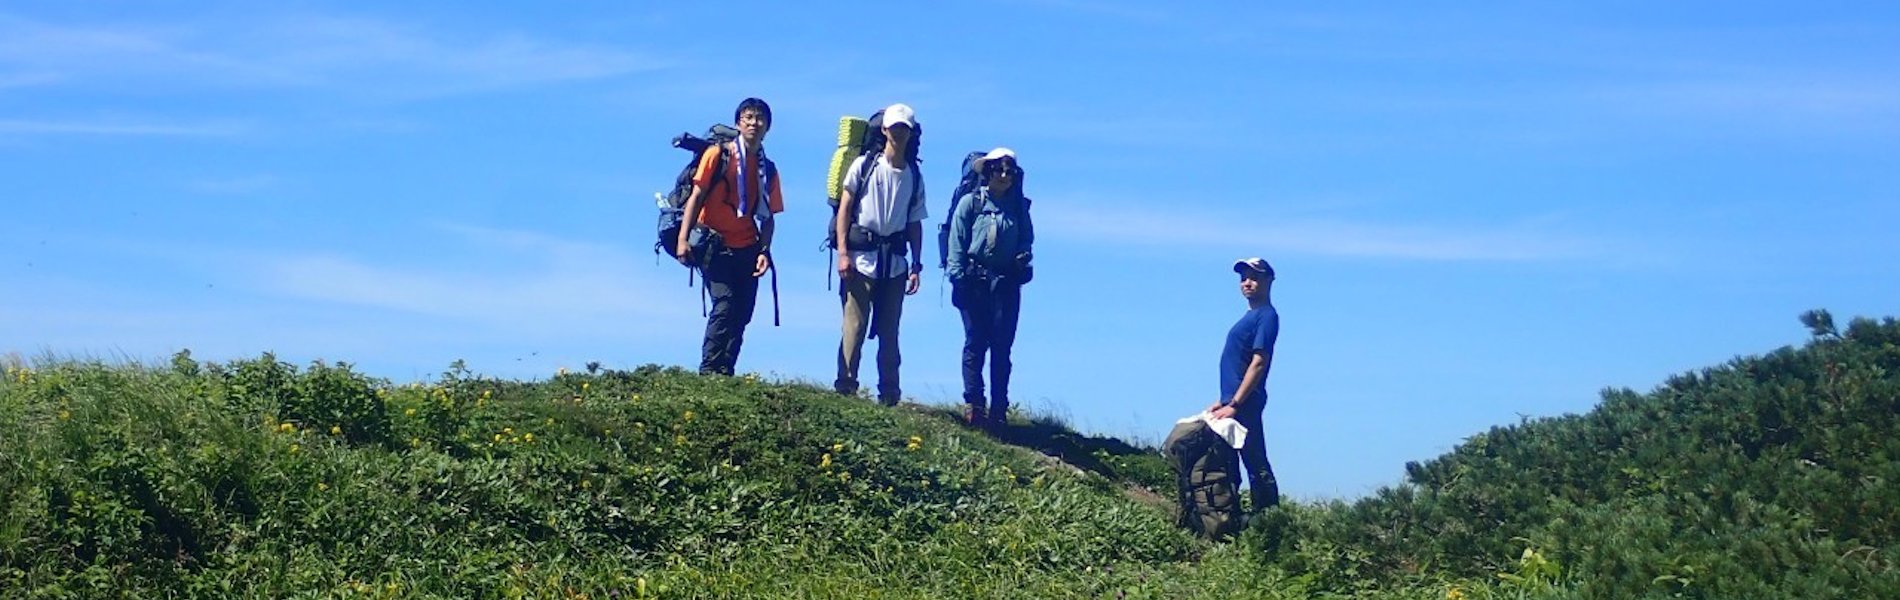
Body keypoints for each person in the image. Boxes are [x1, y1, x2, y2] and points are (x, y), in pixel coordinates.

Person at [674, 97, 784, 376]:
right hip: (714, 243)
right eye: (748, 117)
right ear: (738, 123)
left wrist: (764, 251)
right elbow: (696, 197)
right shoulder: (718, 155)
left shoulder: (767, 169)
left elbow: (769, 217)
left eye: (759, 118)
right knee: (724, 305)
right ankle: (709, 369)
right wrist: (682, 240)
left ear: (767, 127)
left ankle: (726, 371)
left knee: (743, 312)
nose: (753, 123)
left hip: (748, 246)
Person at [833, 103, 926, 406]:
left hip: (895, 265)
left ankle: (889, 394)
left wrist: (916, 264)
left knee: (890, 332)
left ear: (911, 134)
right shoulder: (864, 165)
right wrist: (843, 253)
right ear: (884, 130)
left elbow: (915, 223)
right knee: (854, 327)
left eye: (904, 129)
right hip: (861, 260)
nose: (899, 133)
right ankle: (846, 387)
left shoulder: (914, 174)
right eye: (894, 128)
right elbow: (845, 209)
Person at [946, 147, 1034, 430]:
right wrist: (958, 278)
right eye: (999, 168)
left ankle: (998, 409)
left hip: (1006, 284)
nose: (1005, 175)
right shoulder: (970, 204)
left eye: (1010, 170)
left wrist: (1022, 257)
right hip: (975, 282)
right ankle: (974, 405)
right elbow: (957, 242)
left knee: (1002, 348)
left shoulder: (1019, 208)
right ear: (988, 171)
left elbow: (1027, 239)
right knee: (975, 342)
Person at [1205, 257, 1281, 512]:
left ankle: (1269, 518)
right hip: (1234, 401)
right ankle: (1235, 515)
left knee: (1255, 460)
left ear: (1269, 280)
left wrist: (1236, 403)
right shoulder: (1251, 316)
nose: (1248, 283)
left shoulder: (1267, 316)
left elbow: (1258, 362)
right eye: (1243, 278)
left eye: (1255, 277)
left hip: (1244, 403)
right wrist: (1224, 400)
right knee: (1233, 461)